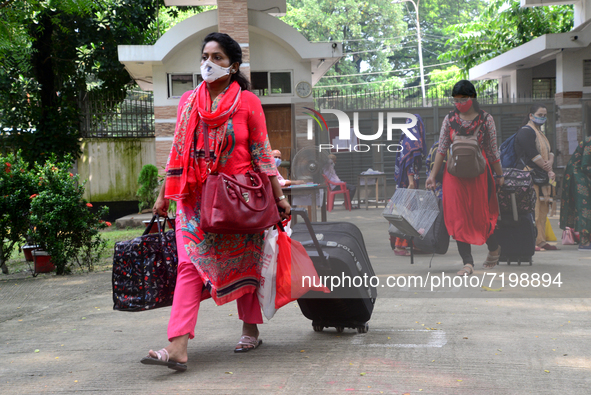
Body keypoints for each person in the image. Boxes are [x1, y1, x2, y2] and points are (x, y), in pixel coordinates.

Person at [142, 32, 290, 372]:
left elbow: (262, 154)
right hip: (193, 201)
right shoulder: (188, 102)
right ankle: (178, 345)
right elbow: (177, 152)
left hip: (238, 200)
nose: (208, 63)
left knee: (246, 264)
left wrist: (278, 198)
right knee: (188, 266)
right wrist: (164, 194)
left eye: (218, 57)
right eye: (205, 56)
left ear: (233, 65)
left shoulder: (247, 103)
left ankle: (250, 329)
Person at [426, 80, 503, 276]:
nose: (459, 103)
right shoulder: (449, 119)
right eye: (456, 99)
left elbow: (493, 152)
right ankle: (467, 263)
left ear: (473, 98)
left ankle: (493, 247)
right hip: (454, 176)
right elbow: (441, 149)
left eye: (463, 99)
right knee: (458, 217)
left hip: (479, 174)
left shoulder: (486, 120)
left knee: (481, 217)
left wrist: (500, 174)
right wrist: (432, 176)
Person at [514, 104, 558, 251]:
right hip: (528, 175)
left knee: (543, 210)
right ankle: (530, 242)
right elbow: (532, 153)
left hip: (541, 175)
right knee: (533, 210)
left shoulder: (541, 132)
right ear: (531, 116)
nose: (543, 118)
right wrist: (548, 169)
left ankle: (541, 240)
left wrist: (549, 165)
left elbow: (550, 151)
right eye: (540, 114)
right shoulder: (526, 131)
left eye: (545, 115)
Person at [391, 114, 427, 256]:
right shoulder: (412, 141)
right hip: (409, 183)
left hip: (405, 183)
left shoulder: (406, 138)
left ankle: (412, 243)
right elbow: (409, 162)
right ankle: (400, 246)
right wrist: (411, 183)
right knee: (407, 213)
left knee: (408, 212)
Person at [560, 136, 591, 250]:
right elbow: (586, 166)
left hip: (585, 174)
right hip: (577, 174)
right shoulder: (590, 142)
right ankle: (584, 241)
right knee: (585, 205)